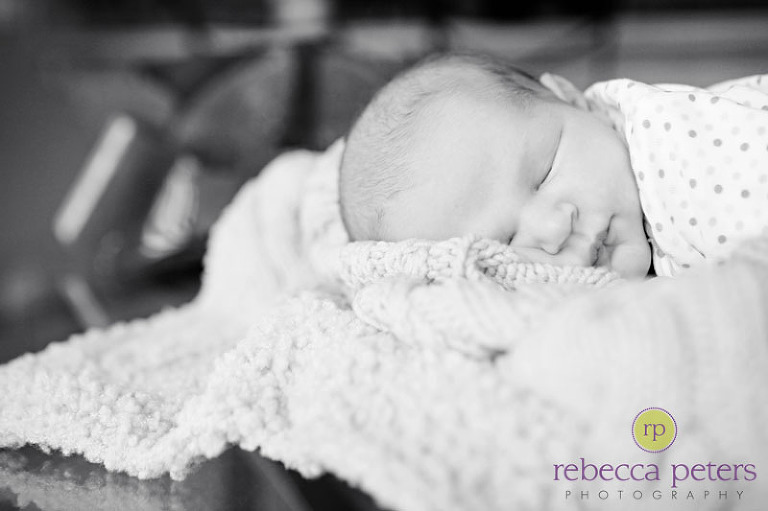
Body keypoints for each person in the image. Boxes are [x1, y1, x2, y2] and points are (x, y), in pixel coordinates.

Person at [338, 52, 768, 279]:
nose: (552, 227)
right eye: (505, 242)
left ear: (570, 97)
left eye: (544, 173)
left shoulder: (678, 159)